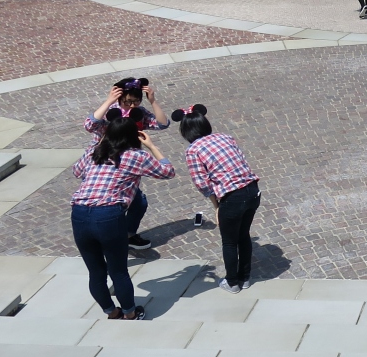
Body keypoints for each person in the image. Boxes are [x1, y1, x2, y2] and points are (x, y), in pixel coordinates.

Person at [71, 113, 174, 319]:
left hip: (79, 213)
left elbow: (76, 171)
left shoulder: (94, 151)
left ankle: (111, 312)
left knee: (96, 272)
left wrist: (99, 143)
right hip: (108, 215)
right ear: (134, 136)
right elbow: (168, 171)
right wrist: (152, 146)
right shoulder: (137, 156)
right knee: (118, 271)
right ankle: (129, 313)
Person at [173, 104, 260, 293]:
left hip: (232, 198)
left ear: (185, 131)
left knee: (229, 242)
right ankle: (245, 278)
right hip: (253, 191)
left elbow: (202, 183)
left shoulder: (193, 150)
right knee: (243, 235)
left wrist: (217, 207)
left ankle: (232, 282)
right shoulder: (226, 137)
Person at [84, 78, 171, 251]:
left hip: (128, 162)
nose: (131, 106)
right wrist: (109, 101)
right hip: (104, 161)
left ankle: (127, 235)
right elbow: (89, 125)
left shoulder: (139, 113)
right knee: (111, 204)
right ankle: (108, 239)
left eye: (136, 101)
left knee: (138, 203)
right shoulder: (110, 112)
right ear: (119, 98)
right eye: (127, 102)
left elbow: (162, 124)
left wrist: (152, 101)